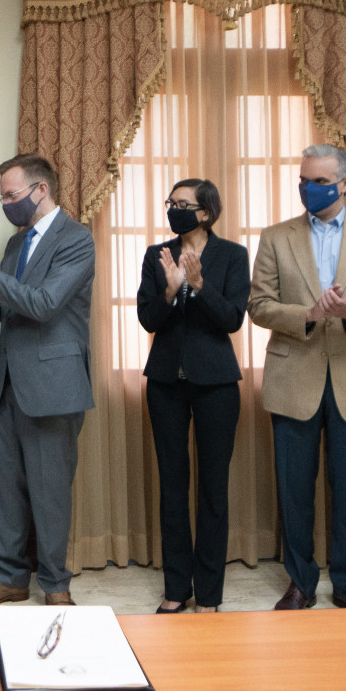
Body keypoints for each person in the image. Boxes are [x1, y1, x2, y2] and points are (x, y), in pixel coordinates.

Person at [248, 144, 346, 610]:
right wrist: (308, 313)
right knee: (294, 489)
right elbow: (259, 305)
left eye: (319, 181)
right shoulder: (276, 236)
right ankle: (300, 582)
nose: (308, 189)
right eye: (303, 181)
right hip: (294, 376)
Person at [0, 153, 95, 611]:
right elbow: (4, 309)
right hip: (10, 383)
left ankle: (55, 586)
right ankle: (8, 578)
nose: (6, 205)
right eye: (2, 198)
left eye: (11, 195)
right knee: (5, 488)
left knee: (50, 492)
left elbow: (44, 303)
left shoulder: (77, 239)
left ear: (41, 189)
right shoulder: (17, 244)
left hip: (54, 385)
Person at [137, 179, 249, 614]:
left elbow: (232, 319)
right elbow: (148, 319)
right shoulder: (157, 254)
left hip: (216, 383)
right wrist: (169, 291)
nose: (174, 210)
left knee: (213, 489)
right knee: (172, 486)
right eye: (171, 203)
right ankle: (175, 588)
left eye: (183, 204)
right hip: (165, 382)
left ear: (206, 212)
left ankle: (209, 594)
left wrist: (200, 286)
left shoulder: (233, 255)